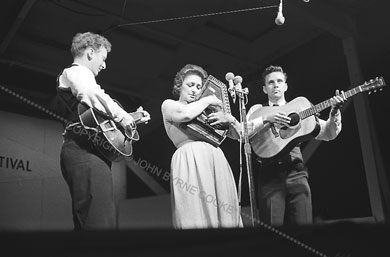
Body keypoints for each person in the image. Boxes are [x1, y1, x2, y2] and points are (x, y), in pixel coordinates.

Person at [56, 32, 150, 230]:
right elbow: (92, 94)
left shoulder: (82, 80)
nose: (104, 65)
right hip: (84, 151)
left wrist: (132, 117)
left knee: (98, 219)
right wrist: (124, 117)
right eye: (103, 58)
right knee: (97, 222)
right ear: (90, 52)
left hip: (90, 152)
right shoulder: (76, 72)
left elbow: (100, 121)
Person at [247, 65, 344, 226]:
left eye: (279, 81)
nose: (276, 85)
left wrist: (334, 113)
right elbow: (244, 133)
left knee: (303, 228)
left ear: (286, 86)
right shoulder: (257, 110)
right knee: (272, 231)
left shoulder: (300, 108)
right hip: (269, 175)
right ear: (265, 89)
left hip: (296, 172)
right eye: (271, 82)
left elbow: (328, 133)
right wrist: (267, 119)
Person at [161, 64, 243, 229]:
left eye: (199, 87)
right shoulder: (170, 104)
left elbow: (240, 135)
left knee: (226, 214)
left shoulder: (206, 110)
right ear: (179, 86)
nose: (194, 90)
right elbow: (185, 115)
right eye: (190, 85)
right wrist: (207, 99)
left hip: (216, 159)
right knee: (195, 214)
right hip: (190, 158)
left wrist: (230, 119)